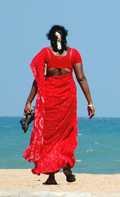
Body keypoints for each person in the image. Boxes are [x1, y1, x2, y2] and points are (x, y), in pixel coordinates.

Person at [23, 25, 95, 185]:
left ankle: (51, 177)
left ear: (50, 38)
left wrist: (29, 101)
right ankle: (67, 164)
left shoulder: (45, 54)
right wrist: (89, 102)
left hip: (49, 101)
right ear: (65, 37)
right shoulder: (74, 54)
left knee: (49, 138)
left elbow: (38, 80)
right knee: (66, 135)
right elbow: (81, 78)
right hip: (68, 101)